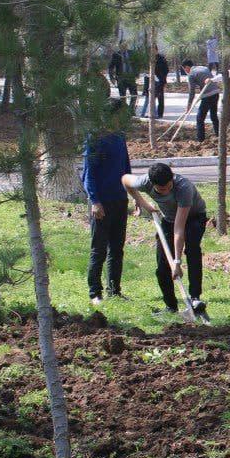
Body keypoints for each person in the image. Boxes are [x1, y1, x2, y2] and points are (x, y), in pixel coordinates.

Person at [122, 163, 209, 319]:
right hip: (169, 220)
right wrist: (143, 204)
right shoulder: (144, 182)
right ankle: (171, 306)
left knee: (192, 250)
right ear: (152, 183)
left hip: (194, 217)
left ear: (172, 179)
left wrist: (177, 261)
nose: (166, 191)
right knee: (162, 266)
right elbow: (125, 180)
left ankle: (195, 298)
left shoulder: (183, 188)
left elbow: (179, 228)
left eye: (168, 187)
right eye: (161, 190)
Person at [81, 99, 132, 307]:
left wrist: (134, 195)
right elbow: (88, 173)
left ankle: (114, 290)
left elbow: (126, 169)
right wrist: (94, 200)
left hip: (120, 199)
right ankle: (95, 292)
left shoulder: (120, 137)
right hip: (101, 203)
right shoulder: (95, 138)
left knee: (117, 249)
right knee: (99, 249)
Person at [183, 61, 222, 142]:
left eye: (184, 69)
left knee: (200, 118)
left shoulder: (191, 74)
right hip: (215, 92)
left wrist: (189, 105)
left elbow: (192, 92)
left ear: (186, 67)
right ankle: (219, 135)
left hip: (207, 95)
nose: (185, 71)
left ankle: (200, 138)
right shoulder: (203, 67)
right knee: (213, 115)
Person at [108, 42, 138, 112]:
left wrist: (137, 73)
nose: (124, 47)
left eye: (125, 45)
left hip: (131, 77)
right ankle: (124, 111)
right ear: (120, 46)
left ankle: (131, 110)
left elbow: (137, 63)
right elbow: (111, 67)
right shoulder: (116, 55)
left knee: (134, 95)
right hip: (121, 78)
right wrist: (112, 77)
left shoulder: (132, 53)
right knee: (123, 96)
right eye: (122, 45)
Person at [152, 47, 169, 118]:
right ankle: (153, 113)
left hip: (160, 80)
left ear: (156, 50)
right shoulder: (150, 59)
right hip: (152, 81)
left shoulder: (161, 58)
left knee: (160, 98)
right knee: (151, 98)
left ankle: (160, 114)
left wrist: (162, 78)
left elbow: (166, 69)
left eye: (154, 50)